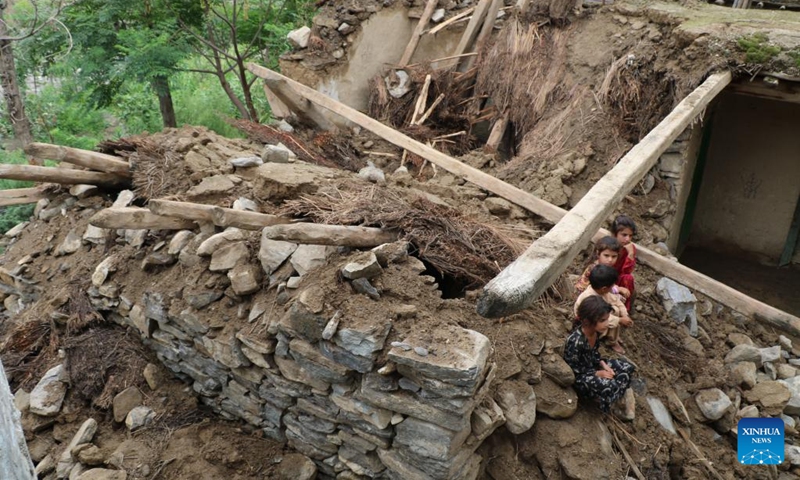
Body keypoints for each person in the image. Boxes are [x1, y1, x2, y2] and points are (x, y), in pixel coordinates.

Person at [564, 295, 635, 414]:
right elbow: (573, 370)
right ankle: (603, 403)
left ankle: (611, 394)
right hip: (582, 377)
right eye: (603, 320)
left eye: (607, 319)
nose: (607, 323)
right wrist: (597, 373)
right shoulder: (576, 341)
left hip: (593, 366)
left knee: (628, 367)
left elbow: (595, 354)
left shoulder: (595, 333)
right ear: (587, 321)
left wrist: (604, 365)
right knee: (609, 385)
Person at [573, 265, 632, 354]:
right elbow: (599, 318)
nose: (613, 288)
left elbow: (616, 301)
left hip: (598, 317)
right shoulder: (590, 298)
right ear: (604, 288)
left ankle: (611, 334)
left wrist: (625, 314)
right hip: (588, 323)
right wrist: (620, 320)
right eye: (612, 286)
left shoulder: (601, 291)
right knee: (614, 315)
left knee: (616, 309)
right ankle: (611, 341)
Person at [574, 236, 630, 303]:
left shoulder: (607, 267)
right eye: (606, 255)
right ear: (598, 253)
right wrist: (617, 290)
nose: (610, 260)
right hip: (586, 297)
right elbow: (599, 289)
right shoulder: (595, 269)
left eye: (614, 256)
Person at [611, 215, 637, 312]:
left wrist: (630, 254)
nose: (628, 239)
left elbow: (627, 271)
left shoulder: (630, 248)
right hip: (606, 278)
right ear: (615, 234)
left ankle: (624, 309)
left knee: (628, 278)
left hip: (619, 279)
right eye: (624, 235)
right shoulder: (608, 246)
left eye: (630, 236)